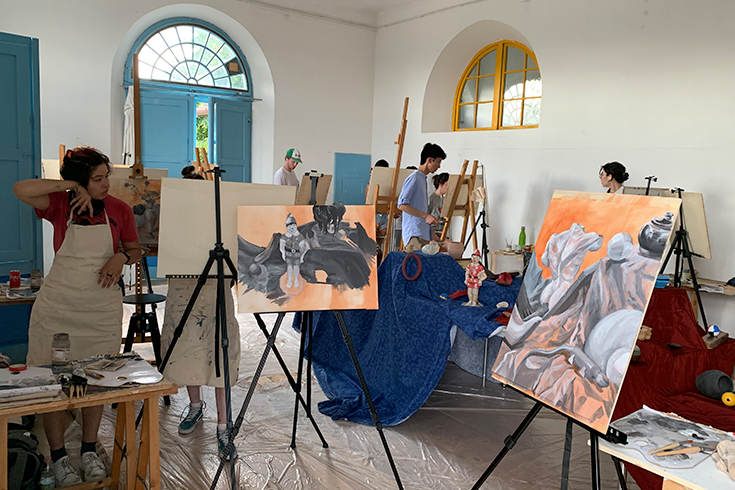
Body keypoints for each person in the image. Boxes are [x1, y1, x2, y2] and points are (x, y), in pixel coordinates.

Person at [13, 146, 142, 487]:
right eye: (97, 179)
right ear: (81, 180)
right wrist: (70, 186)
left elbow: (135, 248)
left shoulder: (119, 209)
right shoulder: (60, 205)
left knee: (96, 380)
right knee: (52, 382)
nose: (106, 184)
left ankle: (87, 449)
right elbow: (20, 189)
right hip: (59, 307)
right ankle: (58, 457)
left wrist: (122, 259)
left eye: (106, 177)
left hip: (100, 309)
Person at [161, 164, 241, 461]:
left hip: (215, 286)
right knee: (187, 347)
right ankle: (195, 406)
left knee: (218, 350)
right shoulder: (175, 218)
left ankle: (224, 423)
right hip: (183, 287)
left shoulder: (218, 217)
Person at [397, 143, 446, 252]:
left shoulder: (422, 179)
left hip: (422, 234)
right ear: (429, 160)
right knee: (415, 267)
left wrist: (432, 232)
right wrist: (425, 216)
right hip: (414, 234)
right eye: (438, 162)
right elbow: (402, 205)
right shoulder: (414, 178)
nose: (439, 166)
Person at [279, 213, 310, 289]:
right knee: (289, 267)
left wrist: (302, 255)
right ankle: (289, 281)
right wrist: (283, 253)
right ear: (287, 227)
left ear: (296, 226)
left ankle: (296, 280)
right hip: (288, 254)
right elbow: (282, 246)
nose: (291, 228)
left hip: (297, 254)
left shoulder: (299, 236)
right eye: (289, 226)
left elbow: (306, 247)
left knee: (296, 268)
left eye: (293, 225)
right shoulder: (284, 236)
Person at [427, 172, 449, 239]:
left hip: (443, 231)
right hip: (433, 232)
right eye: (446, 185)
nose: (448, 187)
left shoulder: (445, 199)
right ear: (440, 185)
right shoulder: (431, 198)